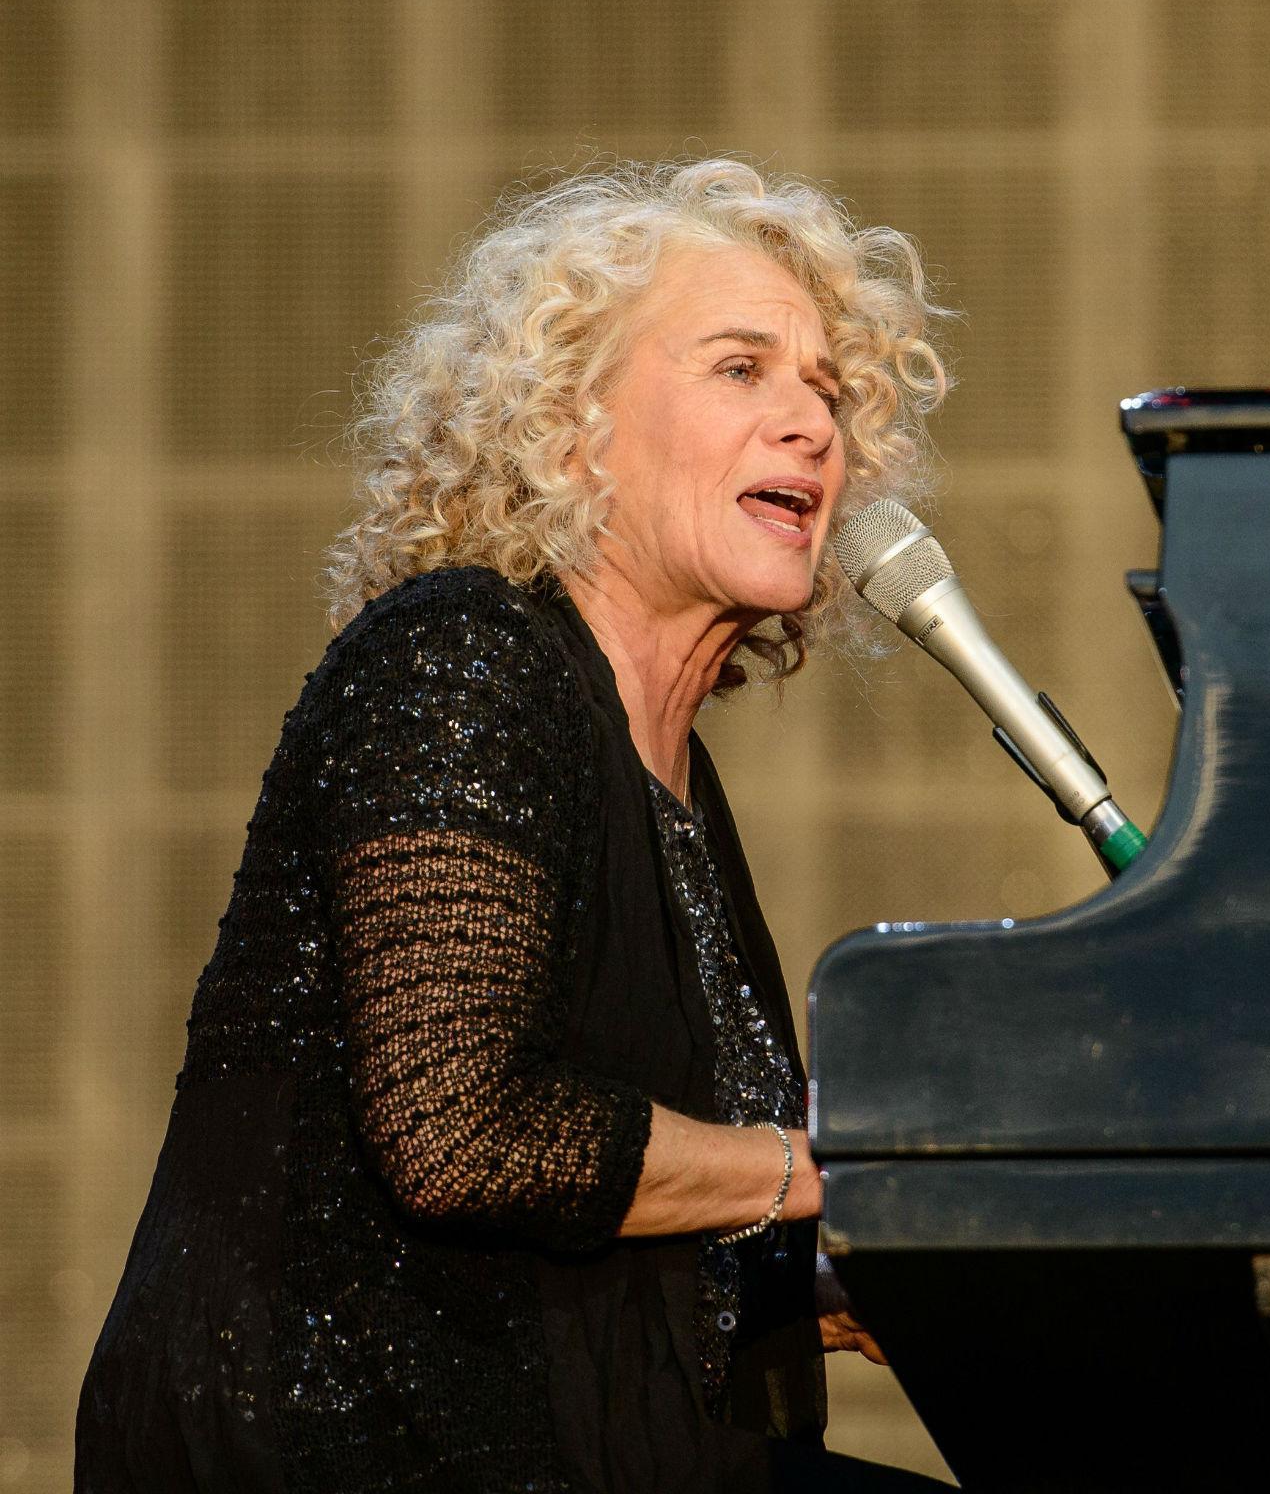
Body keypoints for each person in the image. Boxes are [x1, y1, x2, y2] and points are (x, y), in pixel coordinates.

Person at [77, 160, 955, 1492]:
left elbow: (638, 1196)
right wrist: (817, 1172)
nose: (813, 427)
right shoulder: (459, 656)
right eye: (743, 370)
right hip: (348, 1446)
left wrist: (825, 1274)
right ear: (569, 427)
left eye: (831, 390)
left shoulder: (676, 779)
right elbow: (461, 1131)